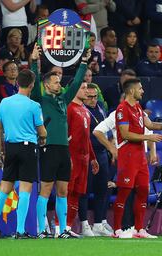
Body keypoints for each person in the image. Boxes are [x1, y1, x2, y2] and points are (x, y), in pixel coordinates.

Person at [30, 45, 90, 238]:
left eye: (60, 82)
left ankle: (62, 229)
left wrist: (83, 63)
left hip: (65, 149)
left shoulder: (64, 99)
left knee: (63, 189)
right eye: (56, 82)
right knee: (46, 188)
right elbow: (35, 79)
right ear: (47, 85)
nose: (60, 85)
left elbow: (77, 82)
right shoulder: (40, 99)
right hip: (48, 148)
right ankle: (41, 229)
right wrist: (33, 61)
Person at [0, 69, 47, 239]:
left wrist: (2, 151)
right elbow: (42, 132)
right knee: (25, 188)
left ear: (17, 82)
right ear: (32, 85)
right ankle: (20, 230)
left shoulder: (4, 102)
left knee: (4, 187)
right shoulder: (34, 106)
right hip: (28, 149)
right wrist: (42, 137)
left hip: (10, 147)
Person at [113, 78, 162, 239]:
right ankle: (117, 230)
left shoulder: (138, 107)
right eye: (140, 88)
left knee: (144, 190)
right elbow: (125, 134)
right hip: (128, 154)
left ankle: (139, 229)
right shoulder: (122, 109)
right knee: (124, 191)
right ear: (131, 91)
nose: (142, 91)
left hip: (140, 156)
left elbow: (150, 125)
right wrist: (148, 138)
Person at [66, 82, 99, 236]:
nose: (86, 91)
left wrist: (92, 157)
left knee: (77, 193)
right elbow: (64, 135)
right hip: (72, 157)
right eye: (83, 88)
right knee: (67, 191)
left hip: (84, 159)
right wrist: (67, 156)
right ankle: (59, 226)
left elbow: (87, 138)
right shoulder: (69, 108)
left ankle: (68, 227)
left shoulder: (85, 110)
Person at [78, 84, 112, 237]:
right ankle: (84, 224)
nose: (92, 100)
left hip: (102, 153)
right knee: (84, 190)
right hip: (87, 155)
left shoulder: (100, 108)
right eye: (89, 97)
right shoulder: (81, 111)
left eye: (95, 96)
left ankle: (99, 223)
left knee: (102, 189)